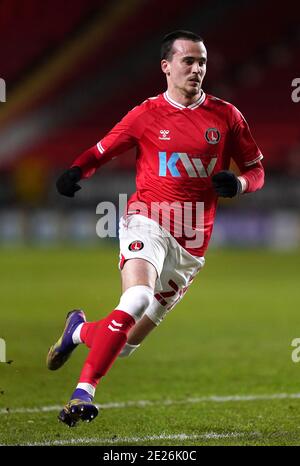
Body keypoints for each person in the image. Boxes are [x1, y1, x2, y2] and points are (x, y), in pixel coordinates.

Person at [47, 30, 265, 427]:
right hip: (147, 221)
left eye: (202, 61)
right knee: (136, 299)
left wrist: (240, 184)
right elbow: (102, 150)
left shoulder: (226, 116)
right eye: (188, 61)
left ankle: (78, 332)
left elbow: (256, 169)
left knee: (125, 344)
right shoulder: (146, 113)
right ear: (167, 66)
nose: (197, 69)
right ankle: (83, 394)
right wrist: (77, 171)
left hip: (192, 243)